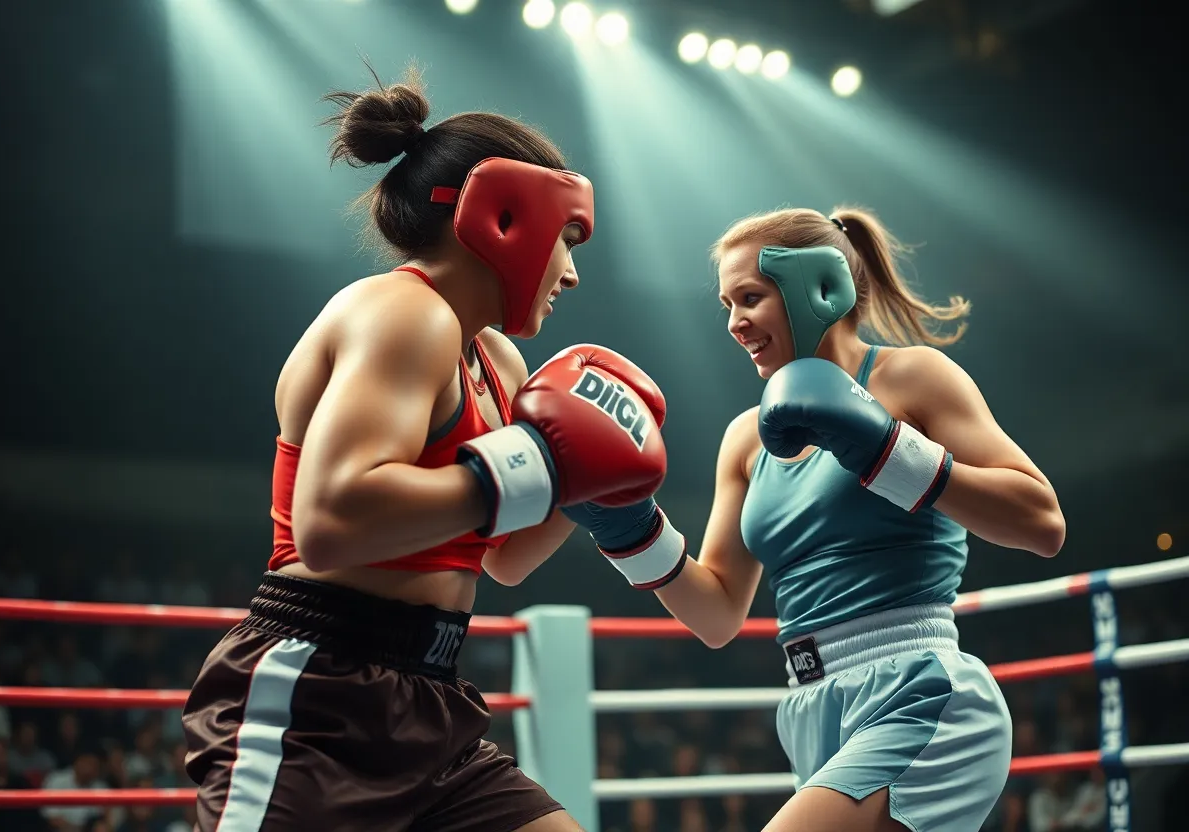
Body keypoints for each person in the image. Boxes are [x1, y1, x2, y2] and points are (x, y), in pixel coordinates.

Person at [181, 66, 671, 832]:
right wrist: (535, 465)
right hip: (318, 693)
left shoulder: (497, 362)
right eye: (566, 241)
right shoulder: (402, 314)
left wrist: (590, 480)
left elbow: (502, 557)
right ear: (507, 220)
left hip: (430, 697)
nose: (571, 273)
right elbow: (332, 521)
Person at [564, 206, 1067, 831]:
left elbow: (1042, 522)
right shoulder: (746, 439)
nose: (735, 323)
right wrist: (628, 529)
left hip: (920, 691)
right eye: (726, 304)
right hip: (811, 707)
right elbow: (717, 613)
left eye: (750, 297)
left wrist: (888, 451)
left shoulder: (910, 377)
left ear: (819, 287)